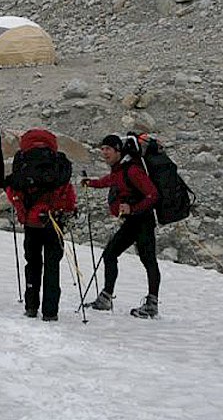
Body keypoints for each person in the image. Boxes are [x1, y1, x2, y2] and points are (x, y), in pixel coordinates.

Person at [80, 134, 161, 318]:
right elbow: (109, 181)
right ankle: (106, 298)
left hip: (143, 221)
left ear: (118, 150)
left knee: (148, 261)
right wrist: (90, 183)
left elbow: (152, 194)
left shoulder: (132, 170)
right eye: (102, 149)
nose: (104, 152)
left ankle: (152, 304)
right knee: (110, 254)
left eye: (108, 149)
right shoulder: (120, 169)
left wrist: (132, 208)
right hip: (133, 221)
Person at [4, 128, 76, 322]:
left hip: (31, 224)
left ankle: (31, 306)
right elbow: (68, 195)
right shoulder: (58, 164)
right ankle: (50, 312)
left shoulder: (22, 164)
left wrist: (23, 212)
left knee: (33, 264)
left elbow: (12, 192)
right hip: (55, 223)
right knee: (53, 266)